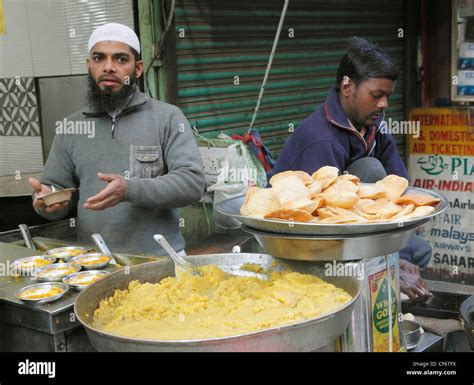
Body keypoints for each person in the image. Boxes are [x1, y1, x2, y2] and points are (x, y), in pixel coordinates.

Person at [268, 37, 431, 300]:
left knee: (418, 250)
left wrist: (398, 255)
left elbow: (400, 186)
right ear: (347, 86)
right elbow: (319, 227)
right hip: (308, 242)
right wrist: (387, 265)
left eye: (388, 96)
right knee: (370, 169)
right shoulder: (321, 140)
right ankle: (364, 287)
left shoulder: (372, 123)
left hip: (355, 226)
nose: (384, 105)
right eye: (376, 96)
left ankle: (381, 279)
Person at [29, 23, 205, 255]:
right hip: (94, 264)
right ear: (89, 65)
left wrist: (129, 189)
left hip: (159, 260)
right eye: (99, 58)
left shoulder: (168, 117)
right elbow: (56, 190)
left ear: (138, 68)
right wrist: (47, 202)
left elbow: (192, 184)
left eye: (121, 59)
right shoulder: (71, 127)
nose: (108, 67)